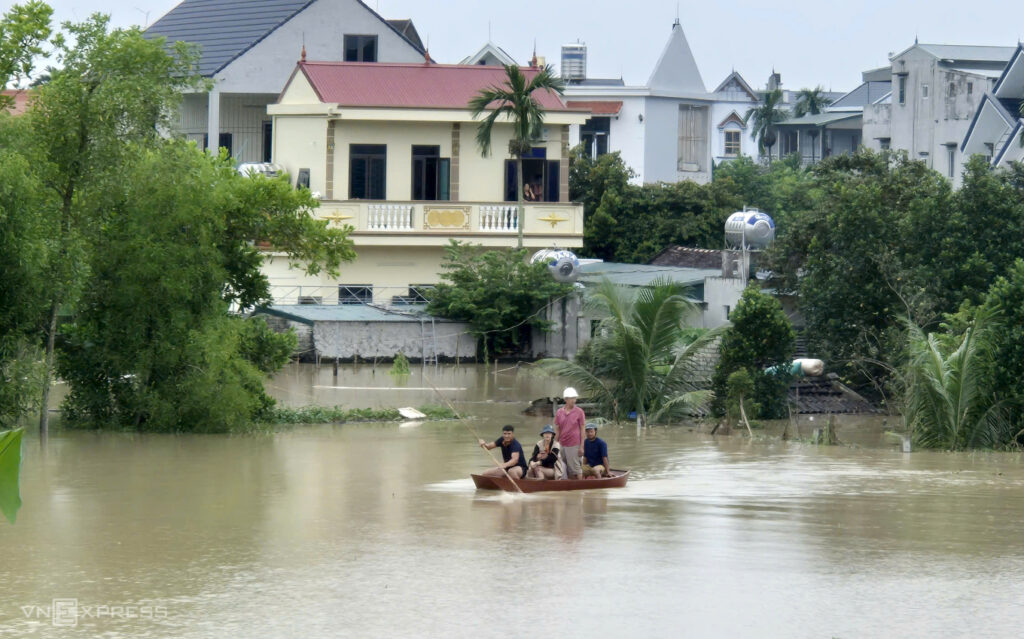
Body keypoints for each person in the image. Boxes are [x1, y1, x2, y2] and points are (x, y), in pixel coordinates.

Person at [554, 387, 586, 479]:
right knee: (567, 467)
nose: (574, 400)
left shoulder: (579, 412)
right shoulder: (559, 412)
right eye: (571, 398)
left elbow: (582, 429)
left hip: (574, 444)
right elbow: (557, 430)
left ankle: (580, 489)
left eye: (574, 398)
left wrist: (581, 446)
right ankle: (571, 489)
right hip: (562, 444)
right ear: (565, 399)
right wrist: (555, 445)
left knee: (576, 468)